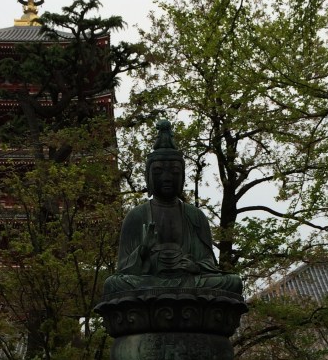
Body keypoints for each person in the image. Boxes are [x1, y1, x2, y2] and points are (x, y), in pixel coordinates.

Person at [102, 119, 242, 296]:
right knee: (113, 284)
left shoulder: (195, 216)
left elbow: (208, 263)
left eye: (174, 172)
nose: (167, 178)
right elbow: (123, 268)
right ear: (148, 177)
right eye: (159, 172)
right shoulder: (136, 216)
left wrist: (195, 266)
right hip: (148, 281)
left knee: (232, 282)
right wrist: (143, 250)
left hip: (188, 280)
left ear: (182, 177)